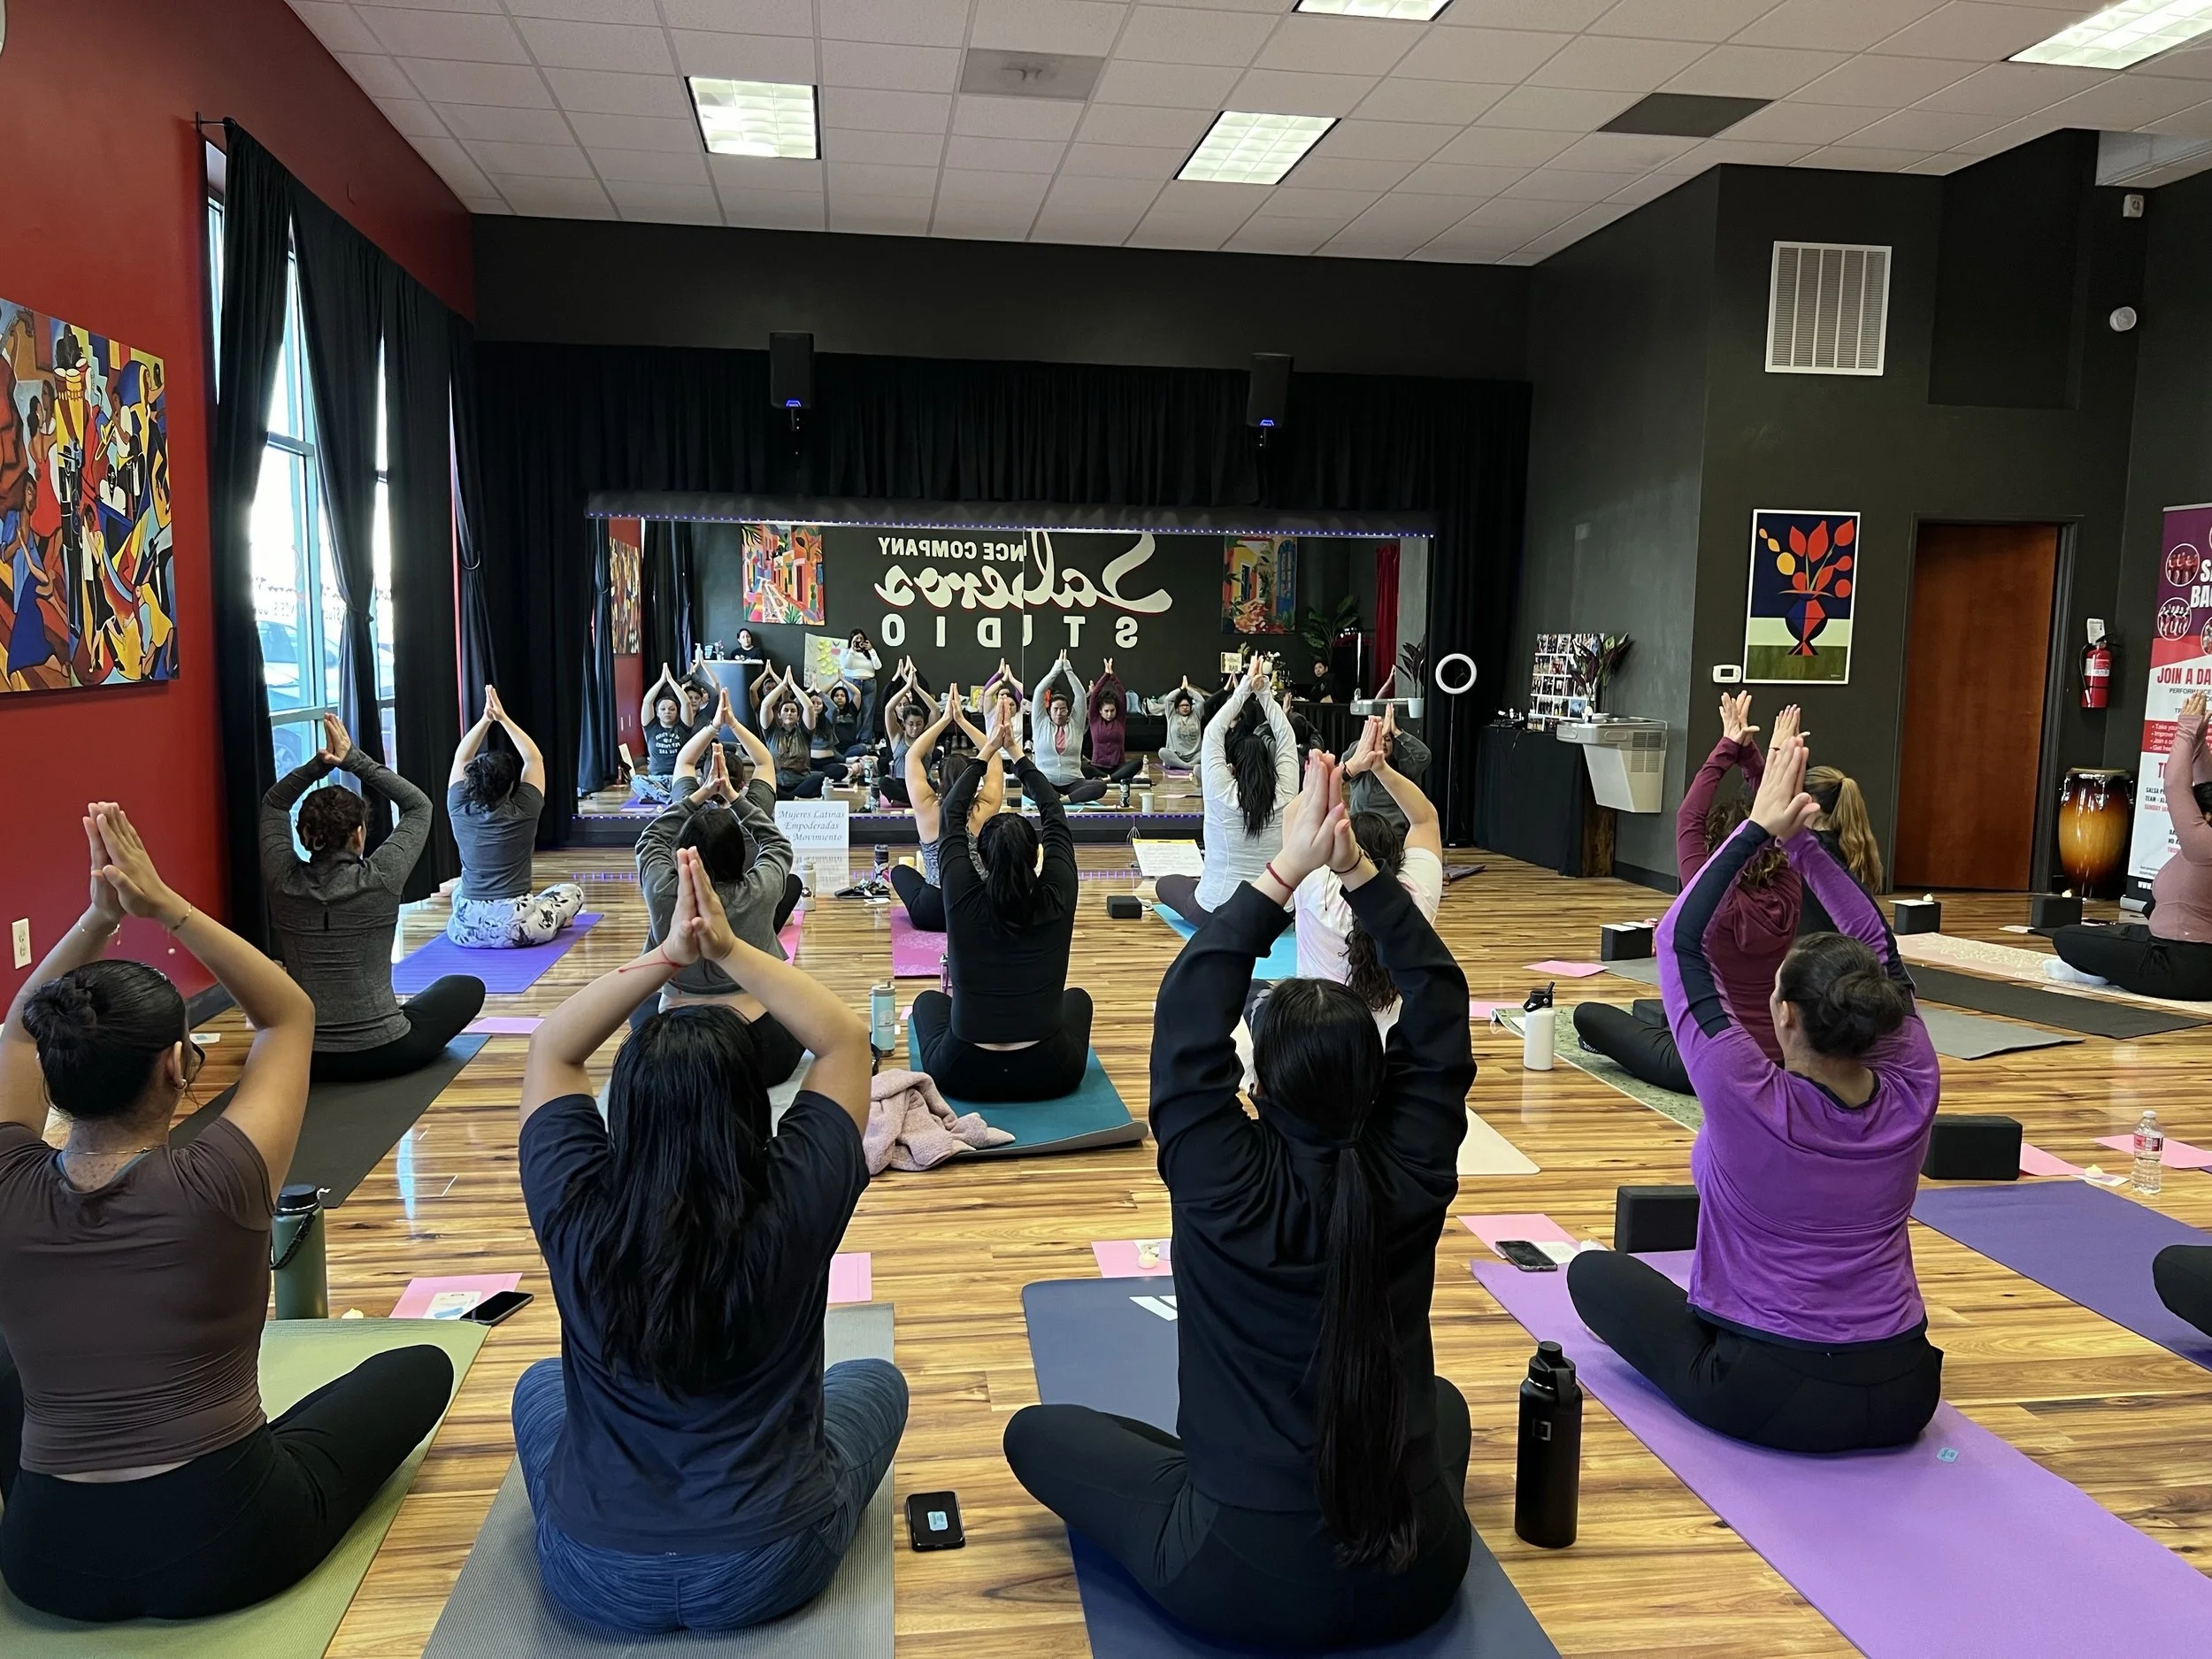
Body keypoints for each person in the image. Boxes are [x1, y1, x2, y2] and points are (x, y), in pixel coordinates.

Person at [1003, 754, 1475, 1650]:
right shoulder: (1412, 1165)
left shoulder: (1222, 1175)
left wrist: (1286, 868)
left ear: (1254, 1085)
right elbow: (1439, 998)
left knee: (1037, 1434)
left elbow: (1187, 1005)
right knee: (1442, 1405)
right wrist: (1357, 873)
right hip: (1416, 1567)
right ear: (1382, 1081)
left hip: (1238, 1574)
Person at [0, 803, 454, 1621]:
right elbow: (288, 1013)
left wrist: (98, 918)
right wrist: (162, 905)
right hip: (225, 1543)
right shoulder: (222, 1179)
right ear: (176, 1066)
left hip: (45, 1559)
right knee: (418, 1367)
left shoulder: (7, 1180)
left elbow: (16, 1036)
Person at [512, 849, 905, 1635]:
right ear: (751, 1107)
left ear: (625, 1113)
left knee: (538, 1386)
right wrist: (729, 951)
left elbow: (552, 1048)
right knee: (878, 1383)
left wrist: (668, 956)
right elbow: (843, 1043)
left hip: (593, 1569)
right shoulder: (793, 1199)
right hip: (768, 1560)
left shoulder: (578, 1207)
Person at [1566, 726, 1942, 1454]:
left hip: (1773, 1391)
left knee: (1592, 1275)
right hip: (1905, 1386)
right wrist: (1801, 845)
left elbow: (1677, 938)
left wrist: (1761, 828)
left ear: (1786, 1015)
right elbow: (1879, 942)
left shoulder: (1743, 1092)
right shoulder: (1915, 1081)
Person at [1572, 695, 1803, 1096]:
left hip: (1703, 1065)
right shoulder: (1788, 892)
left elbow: (1689, 817)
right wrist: (1756, 759)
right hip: (1774, 1059)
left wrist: (1730, 745)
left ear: (1716, 850)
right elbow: (1780, 820)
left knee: (1587, 1015)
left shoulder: (1709, 895)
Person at [259, 713, 484, 1083]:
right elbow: (419, 805)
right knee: (466, 986)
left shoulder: (282, 881)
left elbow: (273, 803)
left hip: (304, 1056)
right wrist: (353, 760)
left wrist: (317, 767)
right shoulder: (380, 878)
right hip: (386, 1052)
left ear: (303, 835)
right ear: (359, 834)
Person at [909, 700, 1090, 1100]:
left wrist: (988, 751)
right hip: (1051, 1072)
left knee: (927, 1003)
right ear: (1036, 855)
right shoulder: (1058, 893)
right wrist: (1017, 757)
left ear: (982, 857)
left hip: (963, 1072)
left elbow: (951, 815)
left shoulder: (961, 895)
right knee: (1078, 1000)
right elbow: (1055, 815)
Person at [634, 705, 804, 1080]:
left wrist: (700, 791)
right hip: (758, 1049)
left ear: (683, 850)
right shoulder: (758, 890)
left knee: (638, 1005)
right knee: (805, 1010)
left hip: (674, 1049)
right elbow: (777, 843)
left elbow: (650, 838)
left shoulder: (663, 889)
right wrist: (733, 795)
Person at [2051, 689, 2212, 997]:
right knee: (2127, 929)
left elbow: (2175, 786)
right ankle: (2107, 967)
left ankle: (2098, 973)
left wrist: (2186, 729)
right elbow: (2207, 786)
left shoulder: (2204, 845)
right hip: (2192, 956)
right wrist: (2197, 742)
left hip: (2183, 967)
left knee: (2068, 937)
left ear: (2205, 816)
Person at [1296, 717, 1445, 1041]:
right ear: (1397, 855)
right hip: (1397, 1047)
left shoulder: (1316, 888)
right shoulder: (1413, 894)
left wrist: (1349, 768)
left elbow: (1295, 814)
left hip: (1318, 1044)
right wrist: (1381, 768)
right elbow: (1425, 819)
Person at [1157, 656, 1296, 925]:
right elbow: (1286, 737)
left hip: (1216, 911)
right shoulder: (1285, 793)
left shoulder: (1221, 792)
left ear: (1232, 766)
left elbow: (1213, 732)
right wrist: (1264, 694)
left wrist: (1244, 689)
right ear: (1270, 764)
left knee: (1166, 884)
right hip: (1277, 916)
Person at [447, 685, 588, 950]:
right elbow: (534, 759)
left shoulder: (459, 806)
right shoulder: (523, 810)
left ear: (470, 782)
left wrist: (485, 720)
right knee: (572, 893)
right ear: (512, 785)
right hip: (519, 928)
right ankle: (556, 920)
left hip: (465, 931)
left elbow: (461, 757)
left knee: (459, 891)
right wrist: (503, 718)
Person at [887, 687, 1002, 933]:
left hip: (932, 911)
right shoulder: (983, 809)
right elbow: (995, 757)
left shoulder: (927, 806)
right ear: (975, 780)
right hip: (976, 908)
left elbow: (912, 756)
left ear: (940, 780)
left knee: (899, 871)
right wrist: (963, 722)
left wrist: (945, 720)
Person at [1797, 764, 1885, 937]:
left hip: (1814, 943)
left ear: (1809, 801)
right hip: (1847, 943)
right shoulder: (1852, 843)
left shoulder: (1810, 848)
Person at [1027, 652, 1109, 805]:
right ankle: (1055, 797)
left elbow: (1080, 695)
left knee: (1100, 786)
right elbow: (1039, 692)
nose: (1059, 712)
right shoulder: (1040, 723)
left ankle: (1062, 800)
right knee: (1025, 782)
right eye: (1056, 709)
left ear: (1068, 711)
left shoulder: (1075, 725)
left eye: (1063, 709)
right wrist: (1056, 670)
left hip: (1073, 783)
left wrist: (1068, 671)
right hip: (1046, 782)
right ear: (1049, 711)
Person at [1344, 705, 1431, 838]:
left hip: (1394, 835)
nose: (1383, 743)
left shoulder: (1401, 769)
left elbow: (1424, 756)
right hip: (1363, 835)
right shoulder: (1360, 772)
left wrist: (1397, 732)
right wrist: (1372, 737)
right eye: (1380, 738)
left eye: (1388, 739)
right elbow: (1347, 760)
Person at [757, 670, 832, 800]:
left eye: (793, 711)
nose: (789, 713)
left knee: (818, 778)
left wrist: (792, 684)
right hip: (778, 784)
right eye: (786, 710)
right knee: (761, 783)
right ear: (779, 715)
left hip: (802, 784)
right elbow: (765, 706)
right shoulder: (771, 732)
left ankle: (788, 798)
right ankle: (792, 798)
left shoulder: (804, 732)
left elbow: (809, 707)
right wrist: (782, 685)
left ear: (798, 717)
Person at [1083, 658, 1146, 795]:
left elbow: (1122, 694)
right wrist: (1106, 675)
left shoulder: (1120, 720)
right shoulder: (1094, 719)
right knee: (1083, 768)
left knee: (1138, 762)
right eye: (1106, 711)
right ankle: (1110, 778)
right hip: (1098, 766)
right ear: (1100, 711)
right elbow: (1094, 696)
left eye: (1112, 711)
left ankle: (1108, 779)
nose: (1109, 714)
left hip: (1118, 766)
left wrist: (1113, 676)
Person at [635, 664, 695, 804]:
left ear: (677, 712)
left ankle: (659, 796)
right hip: (656, 780)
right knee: (636, 780)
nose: (667, 712)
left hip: (678, 778)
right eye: (663, 709)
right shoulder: (651, 728)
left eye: (672, 709)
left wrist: (672, 682)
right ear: (657, 712)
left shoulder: (683, 727)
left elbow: (686, 703)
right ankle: (668, 798)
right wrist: (662, 681)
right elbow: (647, 702)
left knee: (697, 781)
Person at [1151, 678, 1202, 772]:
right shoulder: (1172, 715)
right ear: (1177, 708)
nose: (1185, 707)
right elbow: (1168, 699)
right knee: (1162, 752)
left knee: (1207, 751)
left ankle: (1185, 765)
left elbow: (1201, 701)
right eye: (1182, 706)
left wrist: (1189, 689)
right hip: (1176, 756)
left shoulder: (1196, 715)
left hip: (1195, 756)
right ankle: (1188, 766)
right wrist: (1181, 688)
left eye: (1187, 705)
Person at [840, 629, 882, 733]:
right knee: (853, 712)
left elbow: (878, 666)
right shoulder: (846, 652)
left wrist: (871, 650)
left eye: (861, 639)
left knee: (868, 713)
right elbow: (845, 665)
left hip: (869, 684)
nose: (859, 641)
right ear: (851, 640)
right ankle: (852, 737)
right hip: (852, 684)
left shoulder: (869, 653)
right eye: (856, 639)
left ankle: (865, 740)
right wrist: (852, 650)